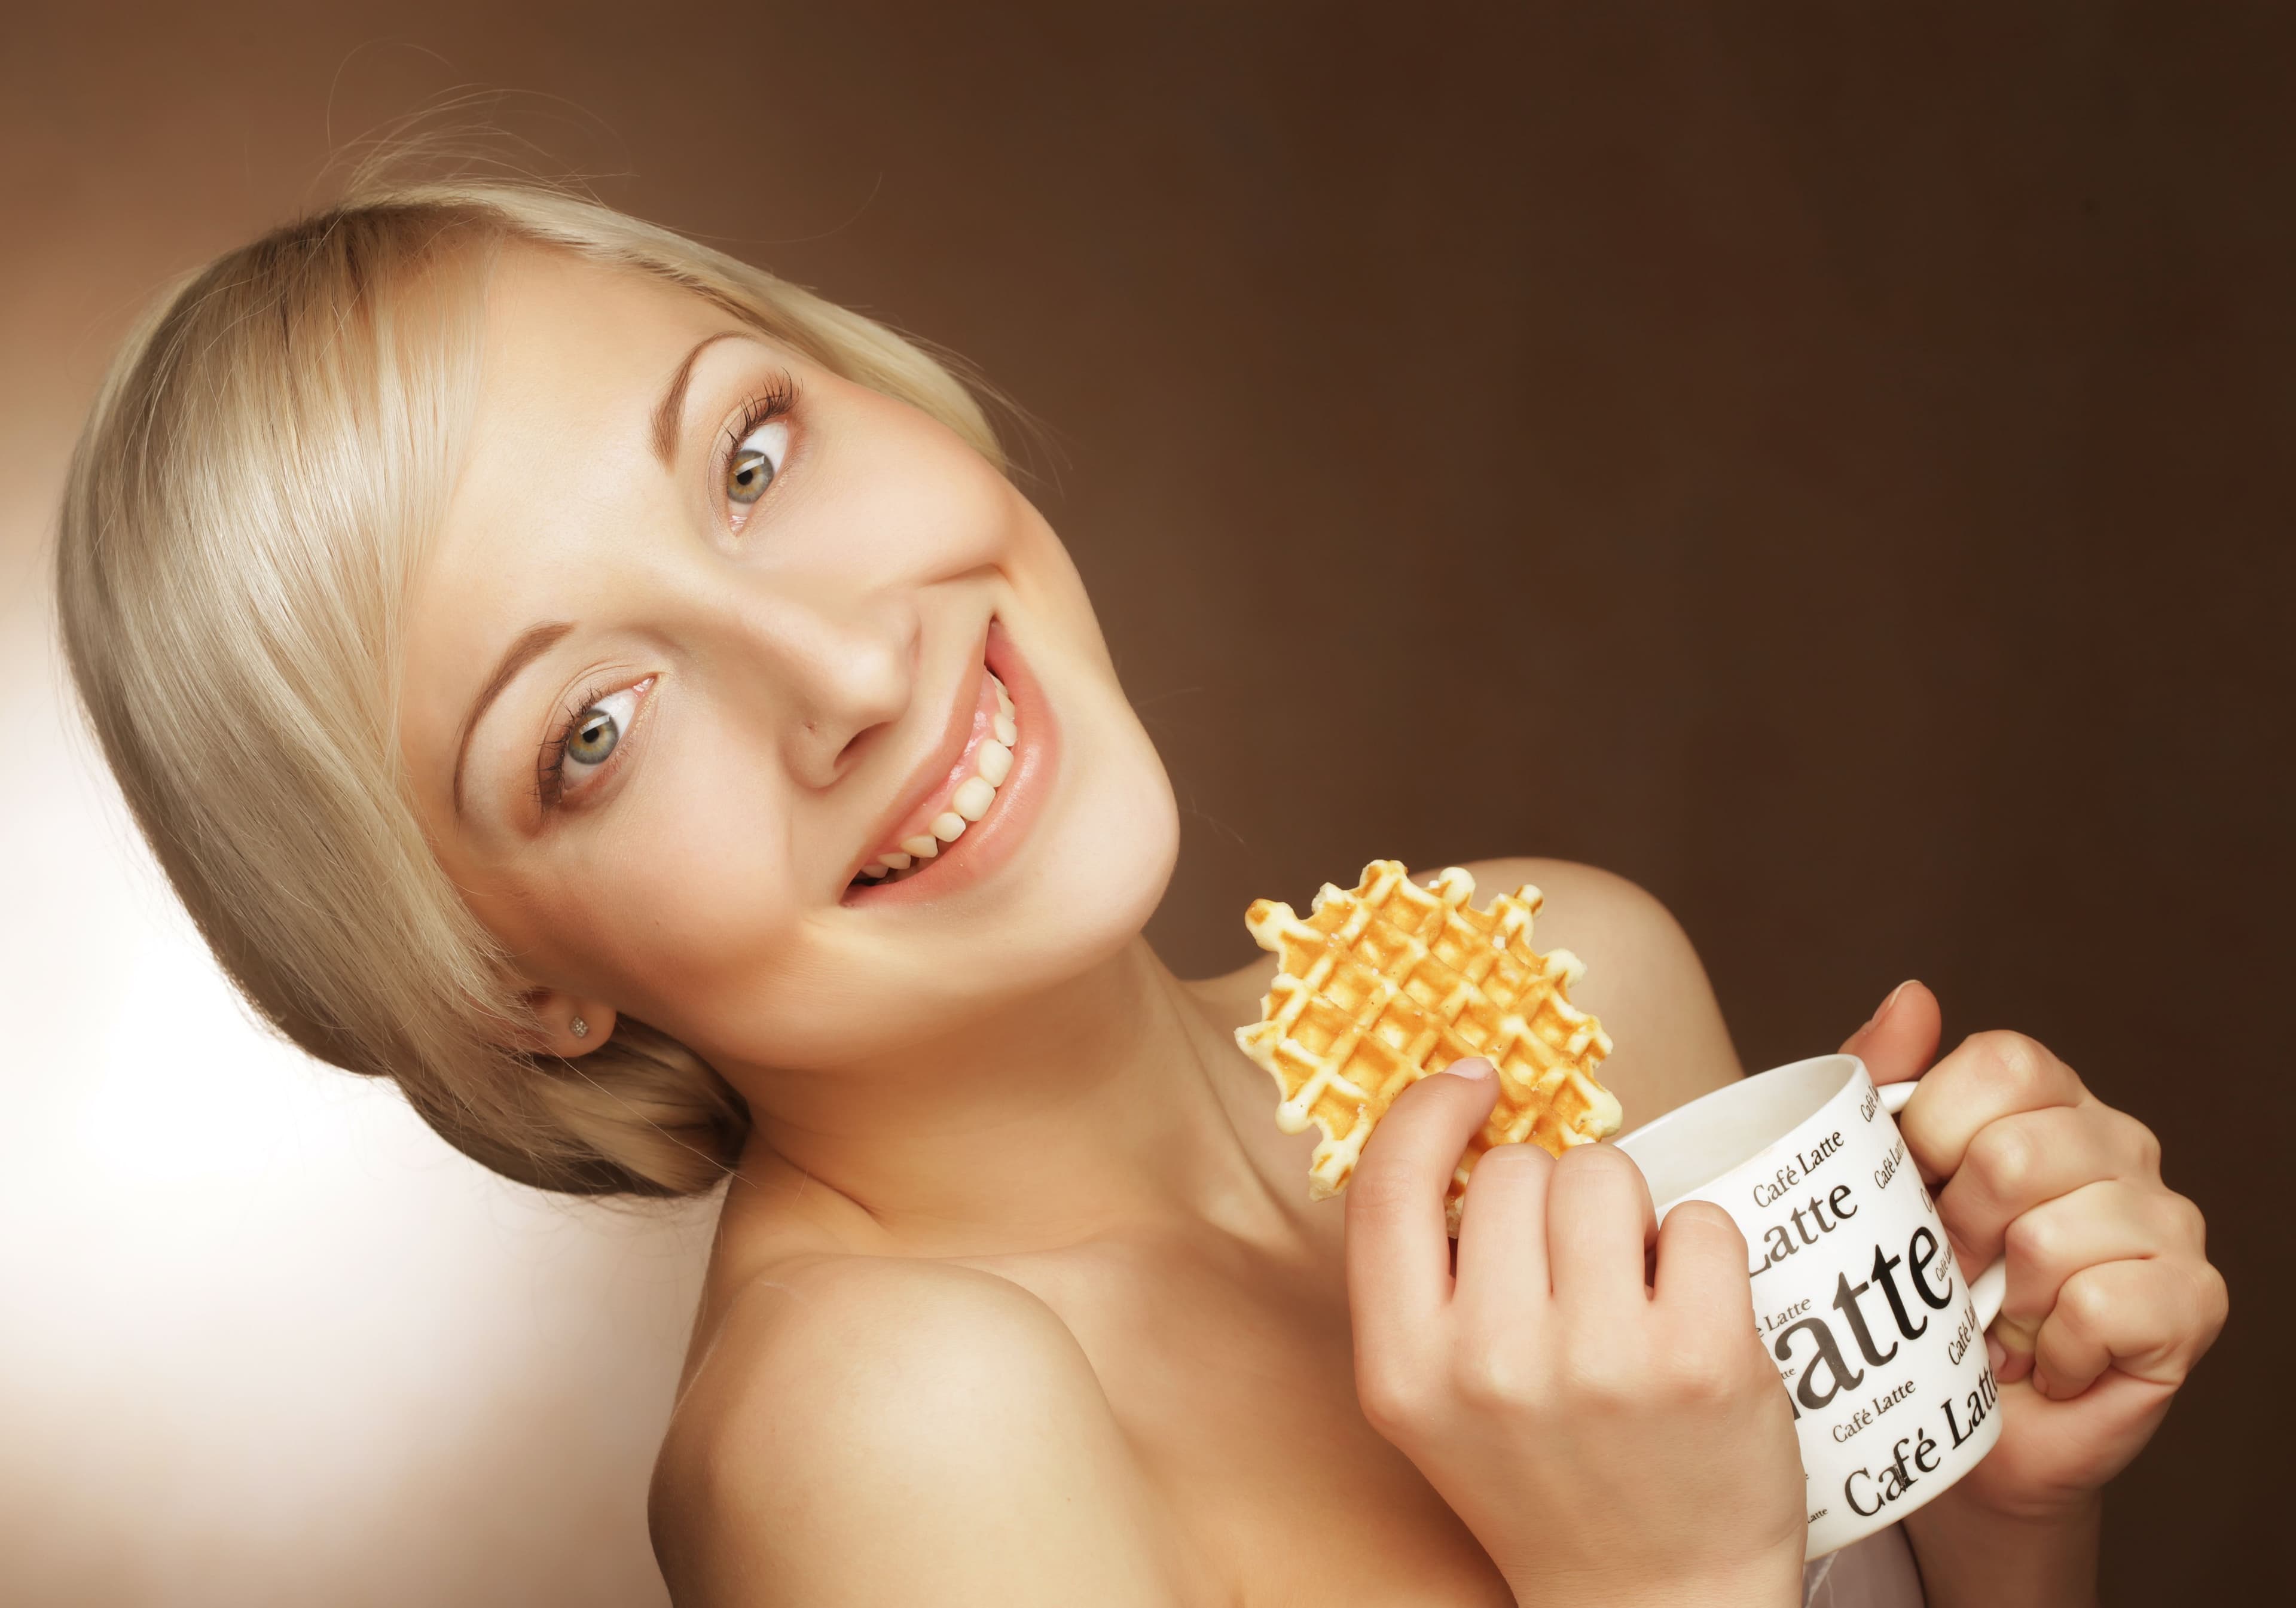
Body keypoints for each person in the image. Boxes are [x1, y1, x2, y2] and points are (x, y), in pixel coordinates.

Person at [54, 165, 2224, 1607]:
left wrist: (2001, 1514)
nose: (845, 669)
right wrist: (1665, 1587)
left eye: (750, 456)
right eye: (593, 732)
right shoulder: (878, 1433)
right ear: (507, 986)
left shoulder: (1565, 973)